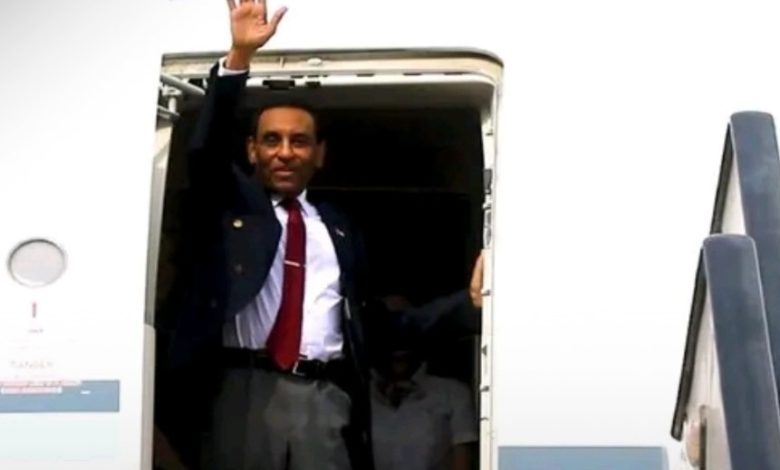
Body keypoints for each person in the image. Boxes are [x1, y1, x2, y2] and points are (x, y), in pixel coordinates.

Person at [153, 1, 485, 469]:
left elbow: (377, 326)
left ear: (319, 154)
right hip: (243, 391)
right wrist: (239, 57)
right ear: (252, 150)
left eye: (299, 141)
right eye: (271, 140)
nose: (285, 152)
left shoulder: (339, 229)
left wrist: (468, 303)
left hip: (325, 395)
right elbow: (206, 152)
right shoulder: (231, 209)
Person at [368, 296, 479, 470]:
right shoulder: (358, 399)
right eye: (389, 327)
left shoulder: (452, 394)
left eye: (407, 325)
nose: (398, 337)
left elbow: (462, 460)